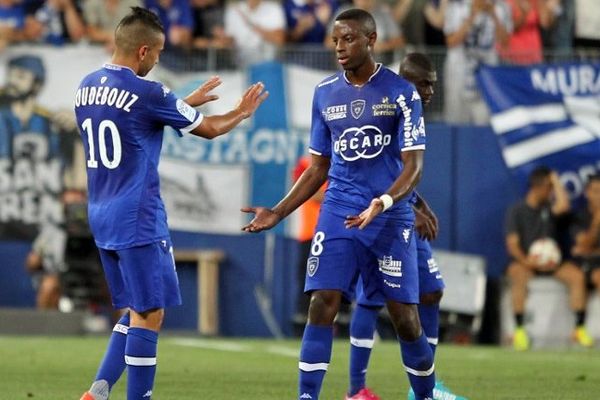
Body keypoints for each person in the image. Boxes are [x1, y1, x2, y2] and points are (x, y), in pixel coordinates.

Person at [74, 7, 268, 400]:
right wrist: (242, 113)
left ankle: (98, 392)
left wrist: (180, 103)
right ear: (143, 51)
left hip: (103, 214)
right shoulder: (149, 92)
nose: (160, 59)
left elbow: (134, 121)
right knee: (150, 314)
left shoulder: (86, 86)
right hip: (137, 216)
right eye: (159, 52)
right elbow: (210, 129)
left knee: (135, 309)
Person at [242, 9, 435, 400]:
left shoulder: (401, 93)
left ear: (371, 39)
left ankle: (426, 395)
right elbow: (317, 167)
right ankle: (307, 396)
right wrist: (278, 212)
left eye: (349, 39)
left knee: (405, 319)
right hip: (339, 210)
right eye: (335, 40)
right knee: (322, 303)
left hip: (388, 216)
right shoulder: (325, 92)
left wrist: (383, 202)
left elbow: (413, 165)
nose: (340, 48)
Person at [345, 52, 466, 400]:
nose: (429, 91)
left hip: (402, 212)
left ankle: (425, 388)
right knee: (369, 299)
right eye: (423, 83)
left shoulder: (411, 111)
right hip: (378, 217)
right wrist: (409, 210)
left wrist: (421, 205)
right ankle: (356, 391)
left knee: (431, 290)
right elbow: (375, 172)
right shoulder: (385, 110)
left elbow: (404, 172)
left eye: (433, 84)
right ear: (405, 79)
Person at [505, 166, 594, 351]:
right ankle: (520, 330)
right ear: (538, 187)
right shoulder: (517, 210)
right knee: (516, 273)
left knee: (577, 276)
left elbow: (564, 206)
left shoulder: (550, 209)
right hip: (528, 263)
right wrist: (527, 261)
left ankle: (579, 328)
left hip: (554, 263)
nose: (552, 191)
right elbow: (512, 244)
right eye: (550, 187)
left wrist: (554, 180)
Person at [443, 0, 511, 125]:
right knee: (456, 121)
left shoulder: (502, 7)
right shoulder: (457, 6)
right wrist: (472, 15)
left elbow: (505, 42)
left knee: (484, 122)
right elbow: (451, 41)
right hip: (459, 73)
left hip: (487, 75)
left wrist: (493, 15)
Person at [570, 174, 600, 295]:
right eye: (597, 192)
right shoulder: (578, 218)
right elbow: (584, 245)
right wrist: (596, 221)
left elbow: (582, 249)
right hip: (590, 266)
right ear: (587, 192)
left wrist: (592, 250)